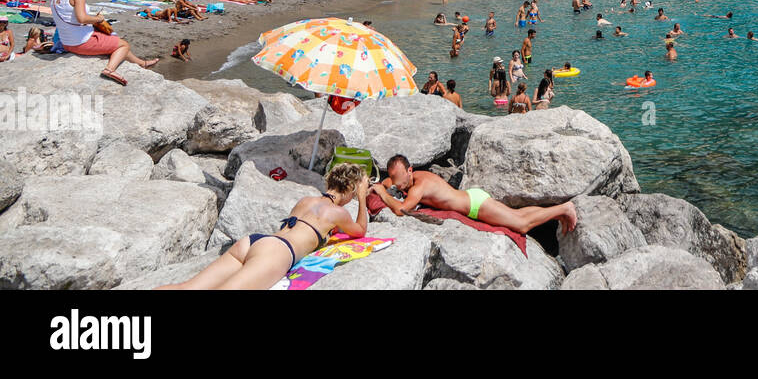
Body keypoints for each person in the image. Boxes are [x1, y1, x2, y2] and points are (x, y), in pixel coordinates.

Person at [161, 162, 370, 290]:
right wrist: (362, 198)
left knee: (186, 287)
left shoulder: (306, 200)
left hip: (253, 242)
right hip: (277, 253)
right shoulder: (338, 213)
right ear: (350, 189)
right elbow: (360, 230)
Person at [371, 155, 575, 234]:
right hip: (472, 197)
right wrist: (383, 184)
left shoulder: (418, 187)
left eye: (401, 180)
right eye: (395, 179)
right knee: (517, 214)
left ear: (410, 170)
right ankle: (555, 214)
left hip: (476, 206)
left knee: (521, 225)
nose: (399, 185)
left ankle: (564, 208)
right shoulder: (411, 177)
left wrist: (382, 192)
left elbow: (401, 210)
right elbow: (390, 182)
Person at [54, 0, 158, 85]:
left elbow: (71, 18)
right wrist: (98, 19)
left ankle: (142, 63)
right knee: (124, 45)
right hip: (80, 42)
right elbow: (82, 19)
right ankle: (109, 70)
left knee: (116, 42)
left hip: (66, 42)